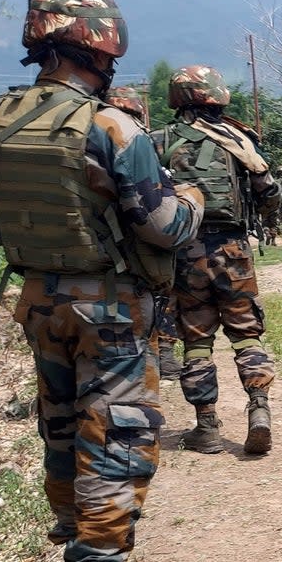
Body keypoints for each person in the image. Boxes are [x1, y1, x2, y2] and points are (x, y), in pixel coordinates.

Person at [0, 0, 203, 562]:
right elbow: (164, 227)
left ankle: (74, 531)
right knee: (117, 429)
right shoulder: (109, 126)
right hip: (109, 305)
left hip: (40, 298)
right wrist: (191, 200)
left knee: (64, 422)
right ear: (102, 44)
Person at [155, 65, 280, 455]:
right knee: (246, 332)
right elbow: (270, 195)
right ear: (219, 95)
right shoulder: (239, 139)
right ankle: (259, 408)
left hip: (184, 252)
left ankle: (206, 426)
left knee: (196, 339)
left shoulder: (159, 141)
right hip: (235, 250)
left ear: (178, 98)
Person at [104, 85, 185, 381]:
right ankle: (158, 355)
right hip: (142, 242)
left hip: (103, 252)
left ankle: (154, 356)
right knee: (160, 295)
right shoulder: (140, 143)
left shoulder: (89, 138)